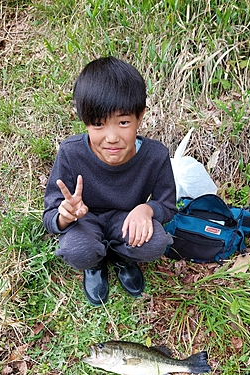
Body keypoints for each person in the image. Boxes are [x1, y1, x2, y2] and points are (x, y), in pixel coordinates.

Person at [43, 56, 176, 306]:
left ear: (140, 117)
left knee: (156, 241)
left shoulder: (155, 156)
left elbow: (167, 206)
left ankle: (121, 257)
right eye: (99, 124)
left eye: (123, 122)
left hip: (125, 219)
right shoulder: (71, 153)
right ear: (85, 122)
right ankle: (94, 264)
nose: (112, 137)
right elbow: (50, 216)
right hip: (86, 220)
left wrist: (146, 209)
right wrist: (66, 216)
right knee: (76, 250)